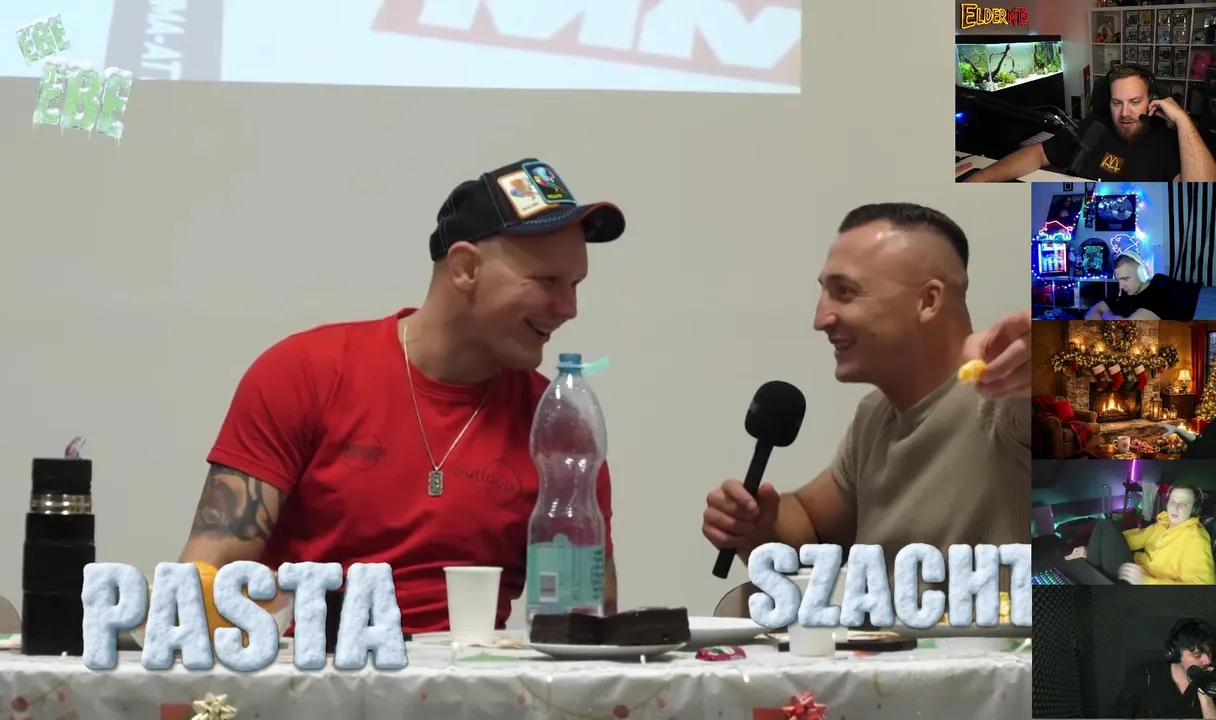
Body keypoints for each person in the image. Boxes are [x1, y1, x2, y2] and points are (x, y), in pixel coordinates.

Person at [176, 158, 627, 633]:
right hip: (315, 671)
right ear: (465, 269)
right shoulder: (305, 372)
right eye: (547, 282)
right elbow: (205, 576)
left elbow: (589, 624)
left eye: (575, 285)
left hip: (475, 677)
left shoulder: (559, 426)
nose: (569, 308)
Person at [700, 203, 1031, 586]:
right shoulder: (875, 414)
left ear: (928, 301)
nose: (820, 319)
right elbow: (810, 525)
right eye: (824, 292)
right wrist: (758, 525)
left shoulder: (1006, 398)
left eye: (845, 292)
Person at [966, 65, 1216, 183]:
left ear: (1151, 101)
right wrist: (980, 179)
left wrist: (1183, 121)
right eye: (1117, 102)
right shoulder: (1095, 125)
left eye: (1135, 102)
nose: (1125, 113)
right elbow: (1038, 153)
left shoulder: (1165, 141)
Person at [1064, 484, 1216, 585]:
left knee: (1106, 525)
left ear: (1194, 509)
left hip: (1142, 584)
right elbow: (1136, 538)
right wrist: (1096, 548)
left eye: (1183, 503)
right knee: (1104, 525)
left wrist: (1145, 581)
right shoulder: (1163, 523)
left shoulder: (1196, 538)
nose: (1175, 507)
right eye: (1173, 501)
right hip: (1133, 569)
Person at [1107, 618, 1216, 719]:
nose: (1208, 661)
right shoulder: (1146, 676)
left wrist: (1206, 695)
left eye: (1209, 652)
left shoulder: (1214, 682)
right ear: (1175, 654)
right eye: (1197, 655)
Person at [1083, 251, 1200, 321]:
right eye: (1118, 279)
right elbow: (1091, 313)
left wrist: (1107, 314)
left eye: (1125, 279)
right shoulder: (1124, 290)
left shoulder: (1159, 291)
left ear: (1142, 273)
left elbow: (1127, 327)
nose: (1120, 286)